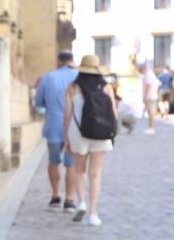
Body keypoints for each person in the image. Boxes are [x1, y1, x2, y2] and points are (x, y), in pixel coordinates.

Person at [63, 55, 116, 227]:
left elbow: (67, 114)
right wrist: (112, 134)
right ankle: (93, 214)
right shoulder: (106, 87)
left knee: (80, 171)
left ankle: (81, 203)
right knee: (96, 174)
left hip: (78, 132)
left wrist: (66, 137)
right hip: (101, 133)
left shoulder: (73, 87)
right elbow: (113, 114)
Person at [33, 50, 80, 213]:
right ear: (72, 60)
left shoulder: (48, 77)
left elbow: (39, 102)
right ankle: (69, 200)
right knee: (71, 164)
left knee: (54, 161)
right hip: (74, 126)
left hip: (54, 124)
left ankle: (55, 197)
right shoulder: (79, 77)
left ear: (58, 61)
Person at [139, 63, 160, 134]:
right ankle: (151, 127)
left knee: (151, 112)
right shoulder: (151, 74)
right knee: (150, 112)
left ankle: (151, 127)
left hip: (150, 96)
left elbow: (148, 85)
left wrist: (145, 96)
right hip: (152, 95)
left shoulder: (148, 75)